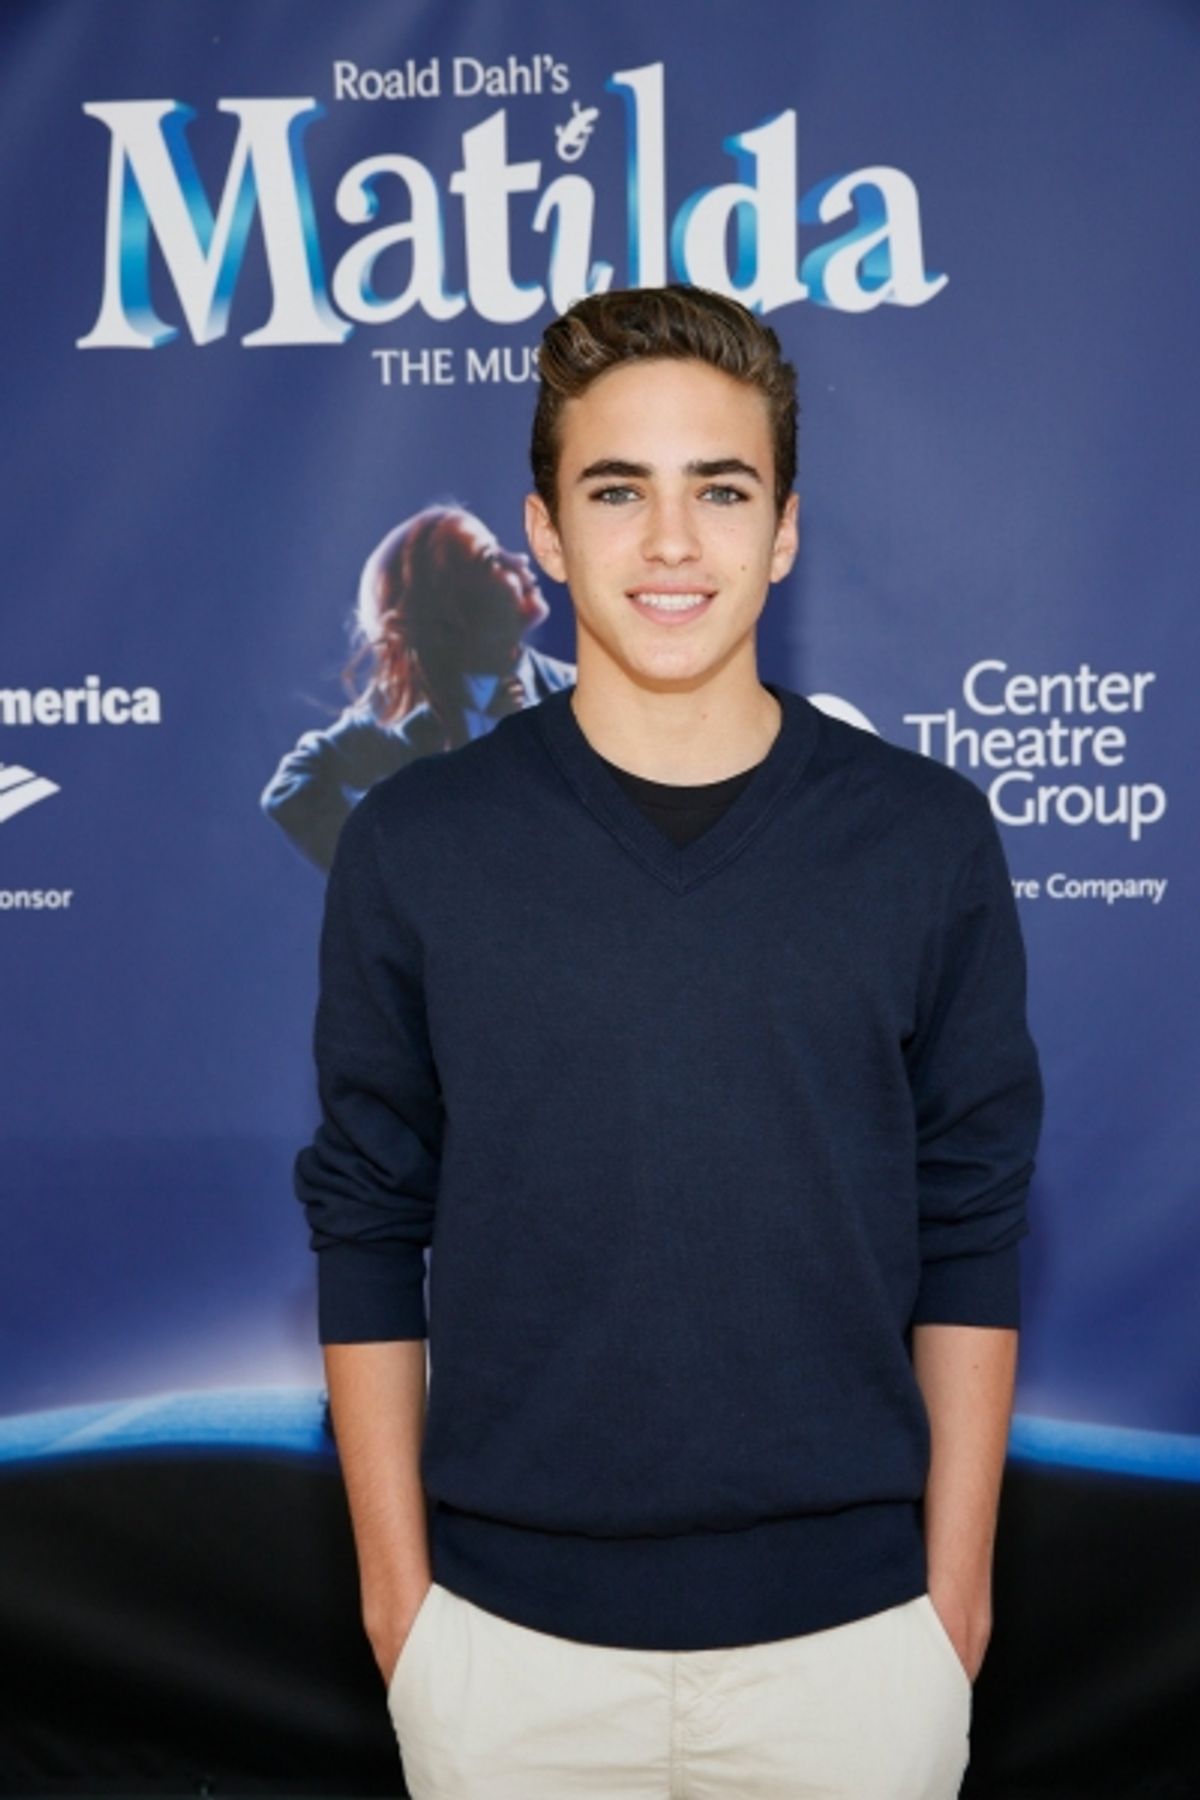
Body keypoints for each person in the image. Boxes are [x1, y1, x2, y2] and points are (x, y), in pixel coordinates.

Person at [294, 285, 1043, 1798]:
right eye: (617, 490)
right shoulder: (420, 845)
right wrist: (404, 1614)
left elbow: (969, 1222)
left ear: (783, 529)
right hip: (505, 1663)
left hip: (856, 1658)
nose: (674, 541)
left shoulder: (924, 839)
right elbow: (371, 1216)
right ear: (547, 534)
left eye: (723, 488)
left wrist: (947, 1609)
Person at [261, 503, 574, 871]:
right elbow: (291, 791)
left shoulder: (580, 693)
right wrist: (385, 877)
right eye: (490, 559)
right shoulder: (397, 723)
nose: (518, 558)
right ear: (451, 611)